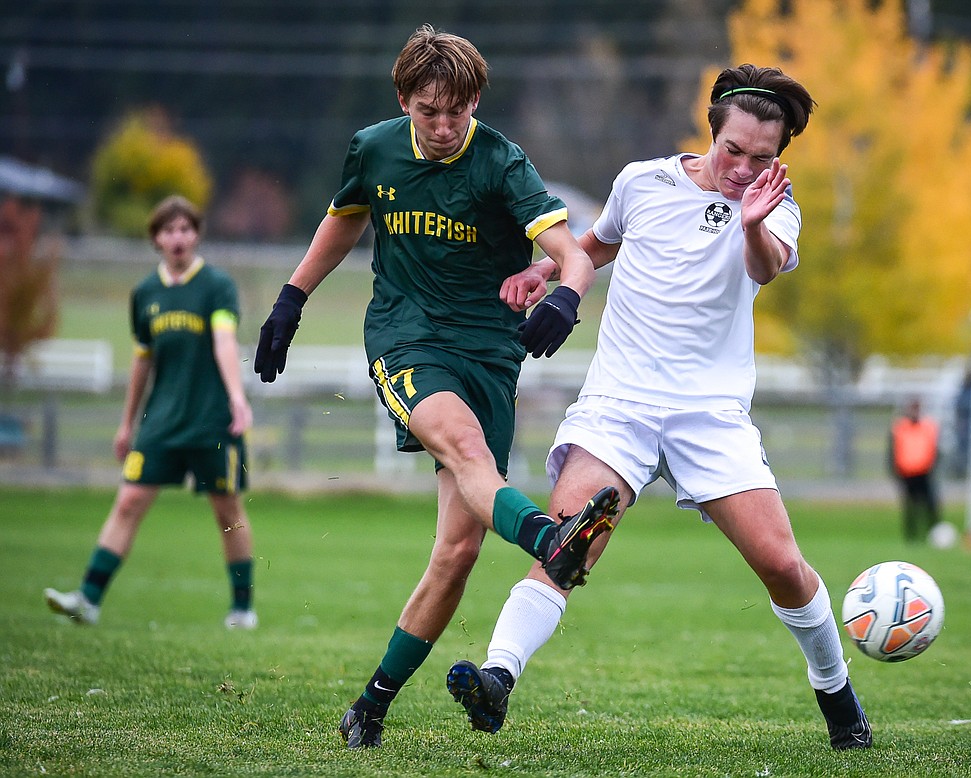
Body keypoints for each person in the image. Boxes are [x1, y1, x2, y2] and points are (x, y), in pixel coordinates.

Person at [446, 64, 873, 751]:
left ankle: (836, 694)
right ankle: (497, 679)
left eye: (762, 157)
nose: (744, 167)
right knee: (569, 544)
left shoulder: (776, 206)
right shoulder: (641, 181)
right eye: (734, 150)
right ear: (713, 132)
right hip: (621, 406)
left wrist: (755, 224)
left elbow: (764, 266)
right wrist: (545, 270)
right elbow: (598, 244)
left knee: (783, 567)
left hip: (711, 416)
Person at [251, 24, 619, 749]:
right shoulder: (375, 148)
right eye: (429, 112)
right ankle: (550, 538)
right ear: (404, 102)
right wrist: (291, 299)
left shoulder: (502, 162)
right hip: (407, 338)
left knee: (457, 552)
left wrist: (565, 299)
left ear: (475, 100)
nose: (445, 127)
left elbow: (570, 253)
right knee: (462, 445)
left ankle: (372, 704)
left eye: (458, 111)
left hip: (490, 353)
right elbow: (344, 219)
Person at [44, 195, 257, 630]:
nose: (178, 237)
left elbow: (223, 341)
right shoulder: (145, 294)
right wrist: (126, 423)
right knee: (128, 501)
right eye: (168, 230)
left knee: (227, 511)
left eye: (185, 229)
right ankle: (87, 600)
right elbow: (142, 361)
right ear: (155, 239)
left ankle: (242, 608)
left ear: (196, 234)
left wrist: (237, 396)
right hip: (160, 422)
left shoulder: (217, 286)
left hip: (212, 421)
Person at [888, 396, 941, 542]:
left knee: (930, 505)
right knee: (910, 507)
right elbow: (893, 451)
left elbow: (934, 449)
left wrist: (932, 467)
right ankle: (911, 536)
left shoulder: (928, 426)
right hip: (906, 473)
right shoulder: (900, 427)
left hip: (924, 472)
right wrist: (895, 472)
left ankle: (933, 534)